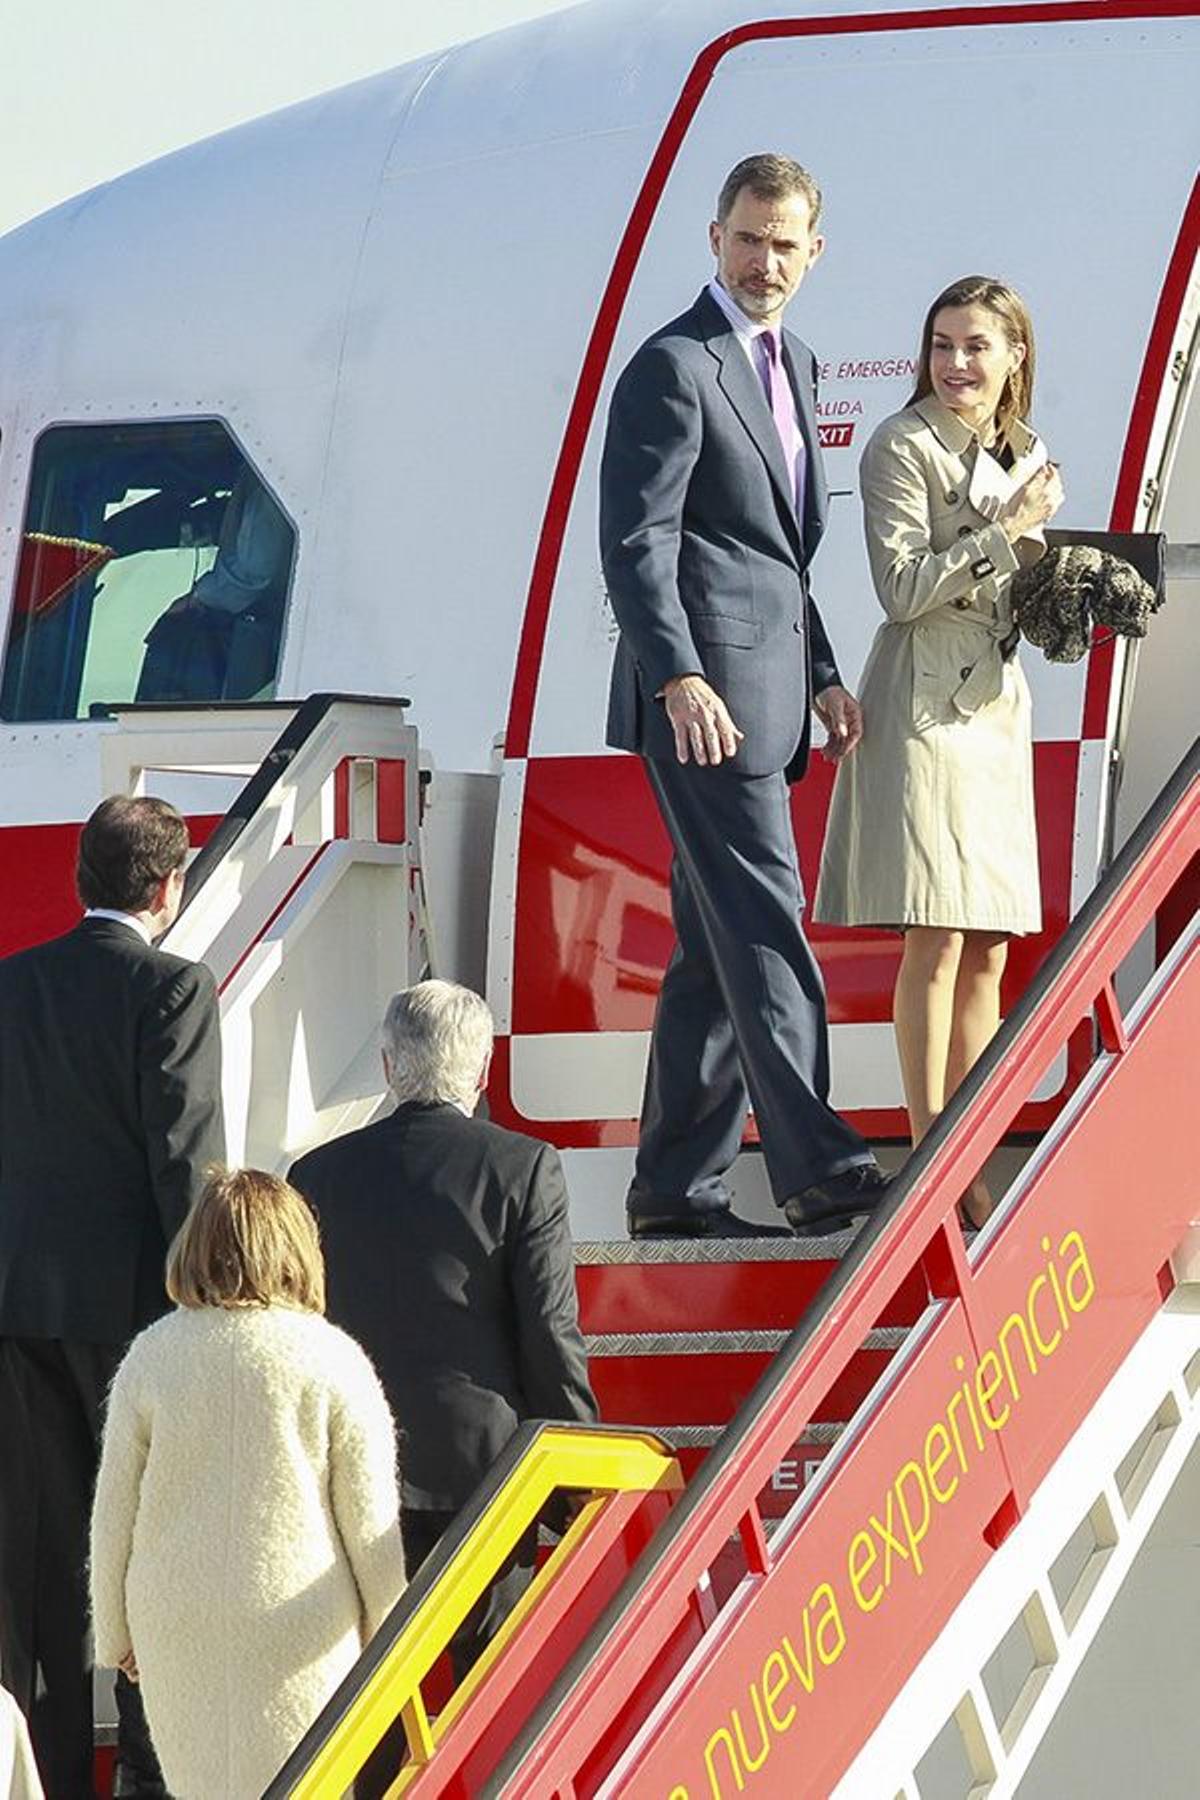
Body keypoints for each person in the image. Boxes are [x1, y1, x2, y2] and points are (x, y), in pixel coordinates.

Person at [599, 152, 886, 1240]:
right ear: (713, 239)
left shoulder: (795, 362)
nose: (765, 261)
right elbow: (638, 540)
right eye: (748, 238)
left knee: (713, 951)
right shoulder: (675, 366)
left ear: (815, 251)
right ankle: (820, 1165)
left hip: (767, 689)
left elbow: (772, 548)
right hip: (702, 703)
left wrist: (818, 671)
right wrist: (676, 673)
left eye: (785, 243)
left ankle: (675, 1192)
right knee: (768, 914)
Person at [815, 276, 1065, 1223]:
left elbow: (1012, 589)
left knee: (994, 944)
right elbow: (902, 588)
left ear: (1013, 359)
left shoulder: (1026, 454)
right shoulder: (898, 444)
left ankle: (971, 1147)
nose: (955, 365)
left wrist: (1066, 579)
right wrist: (1008, 531)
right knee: (937, 931)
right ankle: (929, 1157)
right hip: (922, 697)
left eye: (975, 347)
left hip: (994, 703)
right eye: (942, 345)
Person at [0, 794, 225, 1798]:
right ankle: (150, 1768)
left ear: (79, 878)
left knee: (38, 1561)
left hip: (16, 1311)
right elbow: (184, 1160)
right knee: (146, 1549)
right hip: (132, 1315)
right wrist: (210, 1305)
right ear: (169, 887)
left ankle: (42, 1776)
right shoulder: (173, 990)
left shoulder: (13, 986)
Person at [289, 979, 597, 1682]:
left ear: (390, 1067)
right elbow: (550, 1330)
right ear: (484, 1072)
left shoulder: (315, 1175)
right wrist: (576, 1458)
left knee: (366, 1694)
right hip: (485, 1479)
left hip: (353, 1471)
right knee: (488, 1695)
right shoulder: (522, 1168)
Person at [89, 1168, 406, 1798]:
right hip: (302, 1627)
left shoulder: (151, 1356)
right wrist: (391, 1637)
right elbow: (371, 1525)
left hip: (176, 1618)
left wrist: (114, 1634)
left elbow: (113, 1511)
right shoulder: (333, 1358)